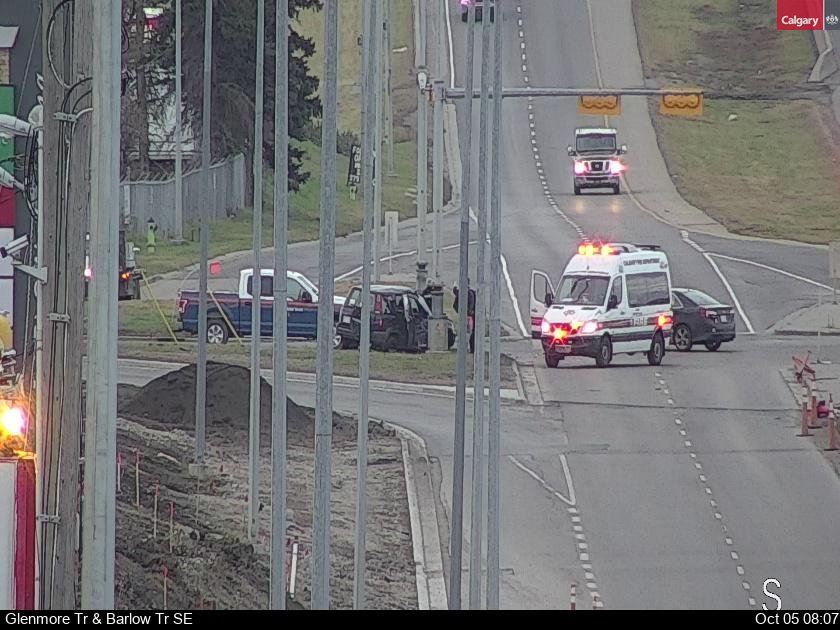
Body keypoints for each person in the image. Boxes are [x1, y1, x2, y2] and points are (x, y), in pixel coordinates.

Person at [452, 283, 476, 354]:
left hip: (468, 317)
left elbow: (455, 305)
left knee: (467, 333)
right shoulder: (470, 293)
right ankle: (470, 349)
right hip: (469, 316)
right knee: (469, 333)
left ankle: (467, 349)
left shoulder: (466, 294)